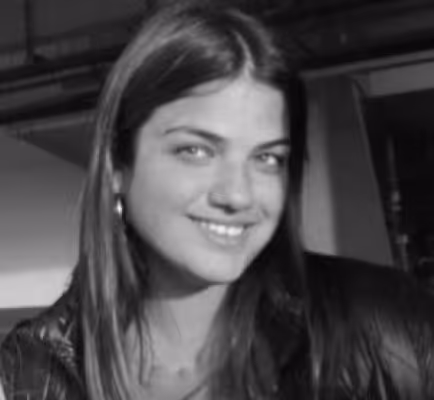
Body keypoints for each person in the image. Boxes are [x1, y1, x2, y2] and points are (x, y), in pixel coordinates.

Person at [1, 5, 434, 400]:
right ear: (118, 164)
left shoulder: (391, 329)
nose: (238, 195)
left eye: (267, 158)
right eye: (196, 151)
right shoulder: (27, 375)